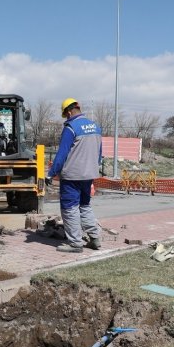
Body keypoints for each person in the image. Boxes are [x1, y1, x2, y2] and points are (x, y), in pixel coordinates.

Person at [46, 98, 103, 253]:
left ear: (69, 112)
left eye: (65, 115)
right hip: (89, 174)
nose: (66, 117)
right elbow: (99, 154)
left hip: (72, 176)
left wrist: (50, 174)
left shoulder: (71, 128)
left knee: (69, 208)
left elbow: (61, 154)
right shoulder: (95, 127)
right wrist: (91, 168)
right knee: (85, 206)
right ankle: (95, 238)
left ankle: (75, 243)